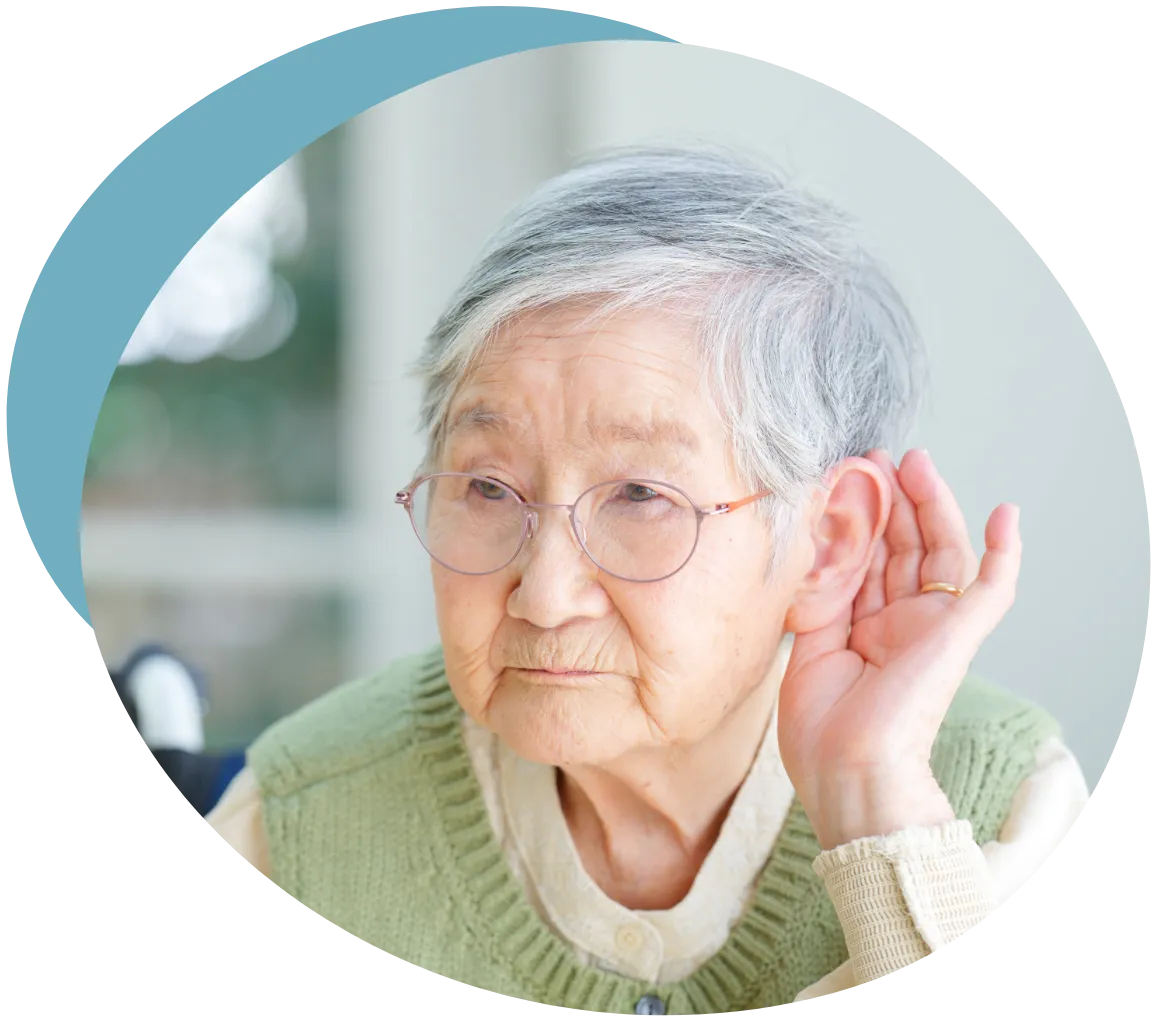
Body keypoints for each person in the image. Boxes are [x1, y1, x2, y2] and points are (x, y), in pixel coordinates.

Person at [206, 144, 1091, 1012]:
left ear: (827, 541)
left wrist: (873, 802)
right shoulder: (296, 823)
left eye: (639, 496)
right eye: (488, 487)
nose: (543, 596)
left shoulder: (1007, 806)